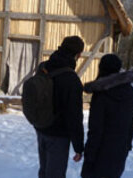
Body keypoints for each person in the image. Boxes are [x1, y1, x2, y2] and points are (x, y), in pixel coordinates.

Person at [36, 36, 85, 178]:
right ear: (78, 54)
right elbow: (74, 116)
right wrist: (78, 146)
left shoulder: (43, 67)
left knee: (44, 171)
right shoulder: (72, 79)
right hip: (58, 136)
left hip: (41, 128)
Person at [81, 54, 133, 178]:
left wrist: (89, 156)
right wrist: (126, 145)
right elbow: (132, 124)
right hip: (119, 151)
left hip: (100, 153)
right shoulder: (129, 91)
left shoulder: (101, 94)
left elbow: (96, 129)